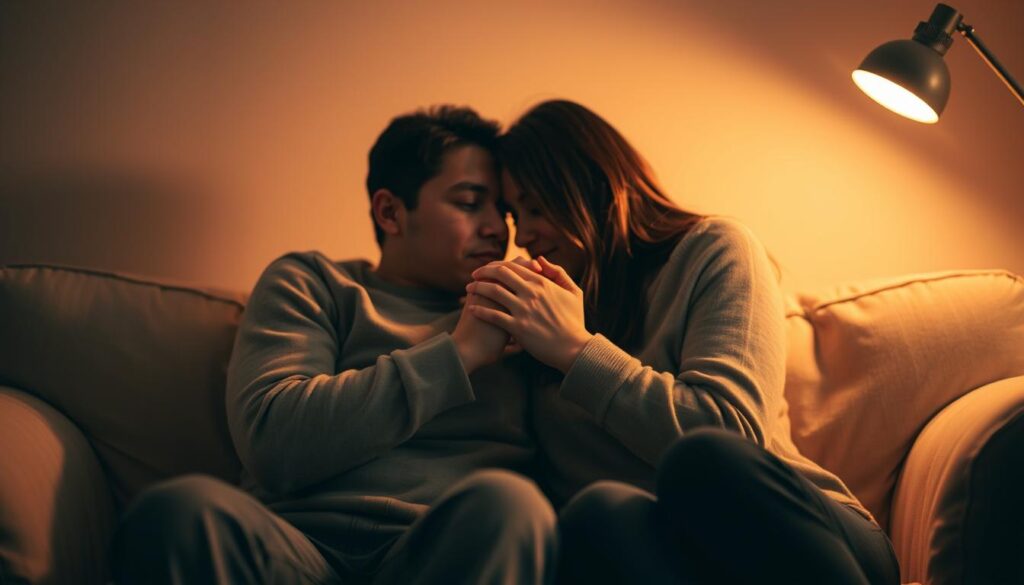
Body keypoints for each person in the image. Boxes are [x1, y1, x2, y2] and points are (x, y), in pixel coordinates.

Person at [109, 105, 558, 584]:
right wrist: (459, 353)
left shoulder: (528, 308)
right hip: (295, 552)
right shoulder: (313, 283)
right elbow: (273, 443)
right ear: (390, 211)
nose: (498, 228)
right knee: (178, 511)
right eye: (469, 203)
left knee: (509, 505)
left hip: (439, 555)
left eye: (504, 210)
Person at [465, 99, 900, 584]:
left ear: (590, 185)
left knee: (702, 458)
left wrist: (576, 351)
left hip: (803, 534)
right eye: (513, 216)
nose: (523, 235)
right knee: (596, 512)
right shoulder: (528, 327)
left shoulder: (712, 250)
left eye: (536, 207)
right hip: (673, 559)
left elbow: (732, 433)